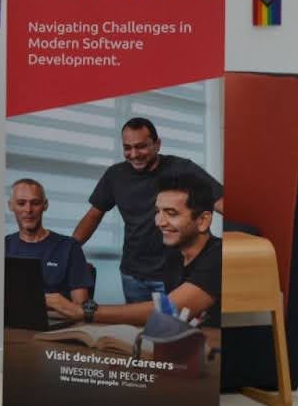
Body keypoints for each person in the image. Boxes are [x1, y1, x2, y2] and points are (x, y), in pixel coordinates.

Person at [72, 118, 223, 304]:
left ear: (157, 144)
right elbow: (94, 215)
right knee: (139, 330)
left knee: (175, 328)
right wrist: (69, 249)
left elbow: (220, 202)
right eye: (127, 147)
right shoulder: (115, 175)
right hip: (132, 275)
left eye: (141, 146)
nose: (134, 154)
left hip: (172, 273)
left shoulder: (182, 168)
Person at [49, 175, 221, 328]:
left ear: (203, 220)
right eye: (157, 212)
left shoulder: (219, 256)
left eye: (171, 213)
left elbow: (168, 310)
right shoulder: (174, 255)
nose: (159, 222)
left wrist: (84, 311)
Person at [5, 178, 94, 321]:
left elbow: (80, 309)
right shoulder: (2, 246)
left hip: (56, 327)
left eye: (35, 203)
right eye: (21, 203)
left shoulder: (69, 247)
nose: (28, 210)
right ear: (10, 206)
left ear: (45, 205)